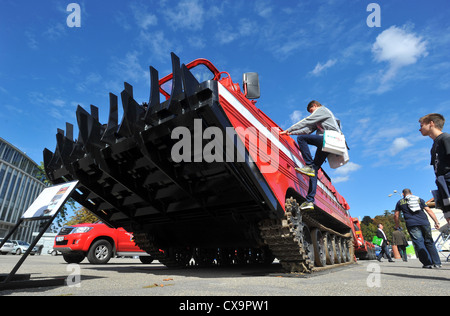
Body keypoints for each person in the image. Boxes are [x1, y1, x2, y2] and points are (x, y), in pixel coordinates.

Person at [280, 100, 342, 210]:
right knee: (314, 170)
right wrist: (291, 133)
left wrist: (288, 129)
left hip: (330, 139)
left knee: (301, 139)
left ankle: (308, 166)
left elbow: (306, 121)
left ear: (314, 106)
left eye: (311, 111)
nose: (311, 114)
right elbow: (308, 130)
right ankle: (310, 201)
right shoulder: (319, 119)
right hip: (328, 143)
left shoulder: (322, 110)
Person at [394, 188, 442, 269]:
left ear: (403, 194)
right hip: (424, 223)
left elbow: (396, 215)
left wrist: (397, 224)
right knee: (429, 241)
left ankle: (427, 263)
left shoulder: (400, 202)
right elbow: (428, 210)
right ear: (411, 193)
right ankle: (437, 263)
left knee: (419, 243)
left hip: (412, 224)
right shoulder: (419, 199)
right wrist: (436, 222)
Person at [419, 113, 450, 224]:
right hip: (443, 185)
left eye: (421, 125)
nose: (420, 129)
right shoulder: (434, 146)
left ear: (431, 123)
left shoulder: (446, 138)